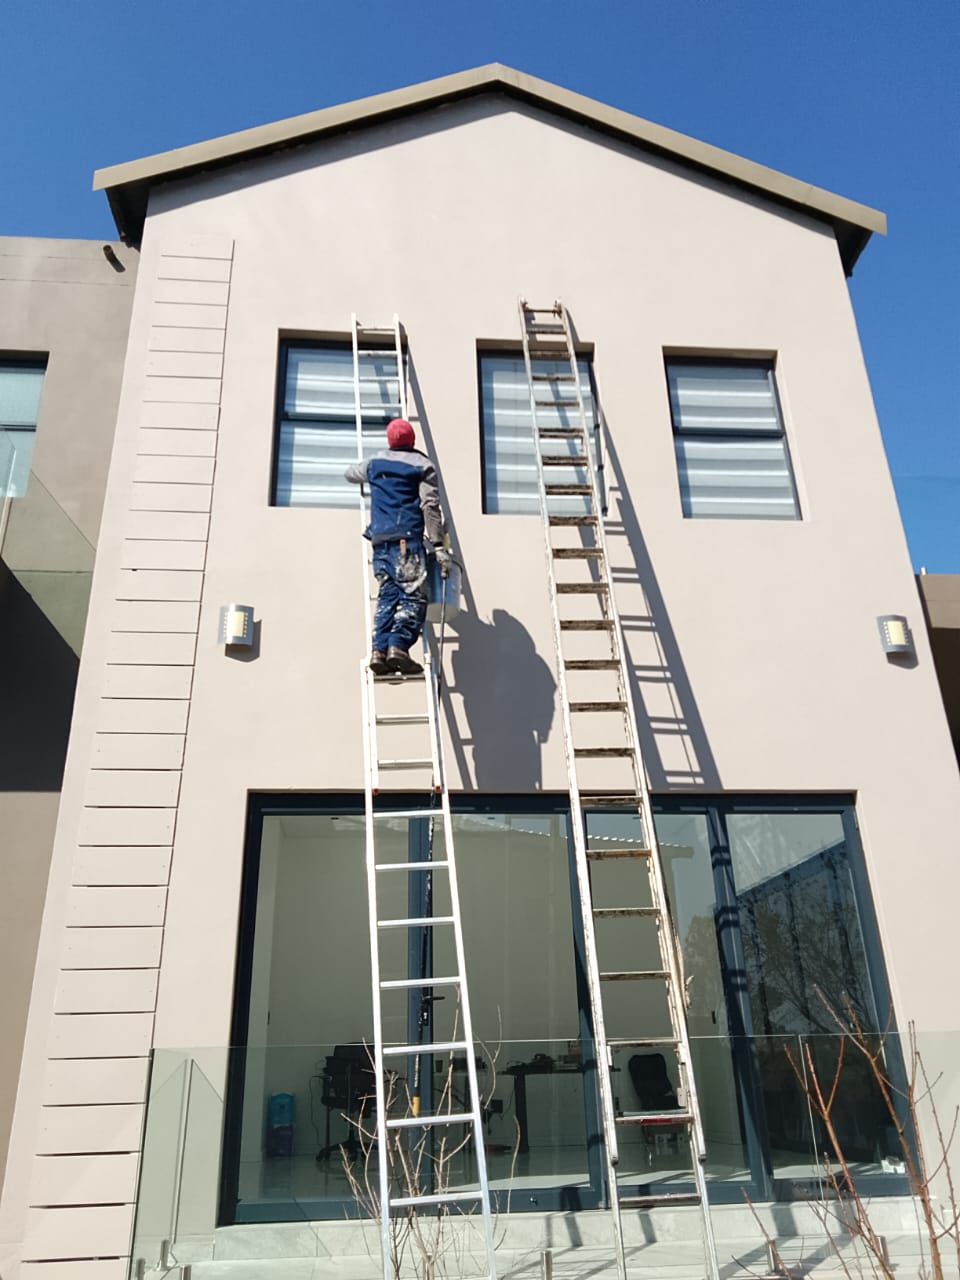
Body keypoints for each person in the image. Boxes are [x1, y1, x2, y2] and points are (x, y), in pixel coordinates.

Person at [345, 418, 450, 676]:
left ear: (389, 441)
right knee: (413, 595)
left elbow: (349, 473)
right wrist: (439, 545)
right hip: (406, 542)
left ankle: (378, 652)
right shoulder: (422, 465)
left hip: (380, 544)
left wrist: (373, 474)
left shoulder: (374, 463)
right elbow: (430, 506)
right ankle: (399, 648)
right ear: (412, 440)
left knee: (388, 596)